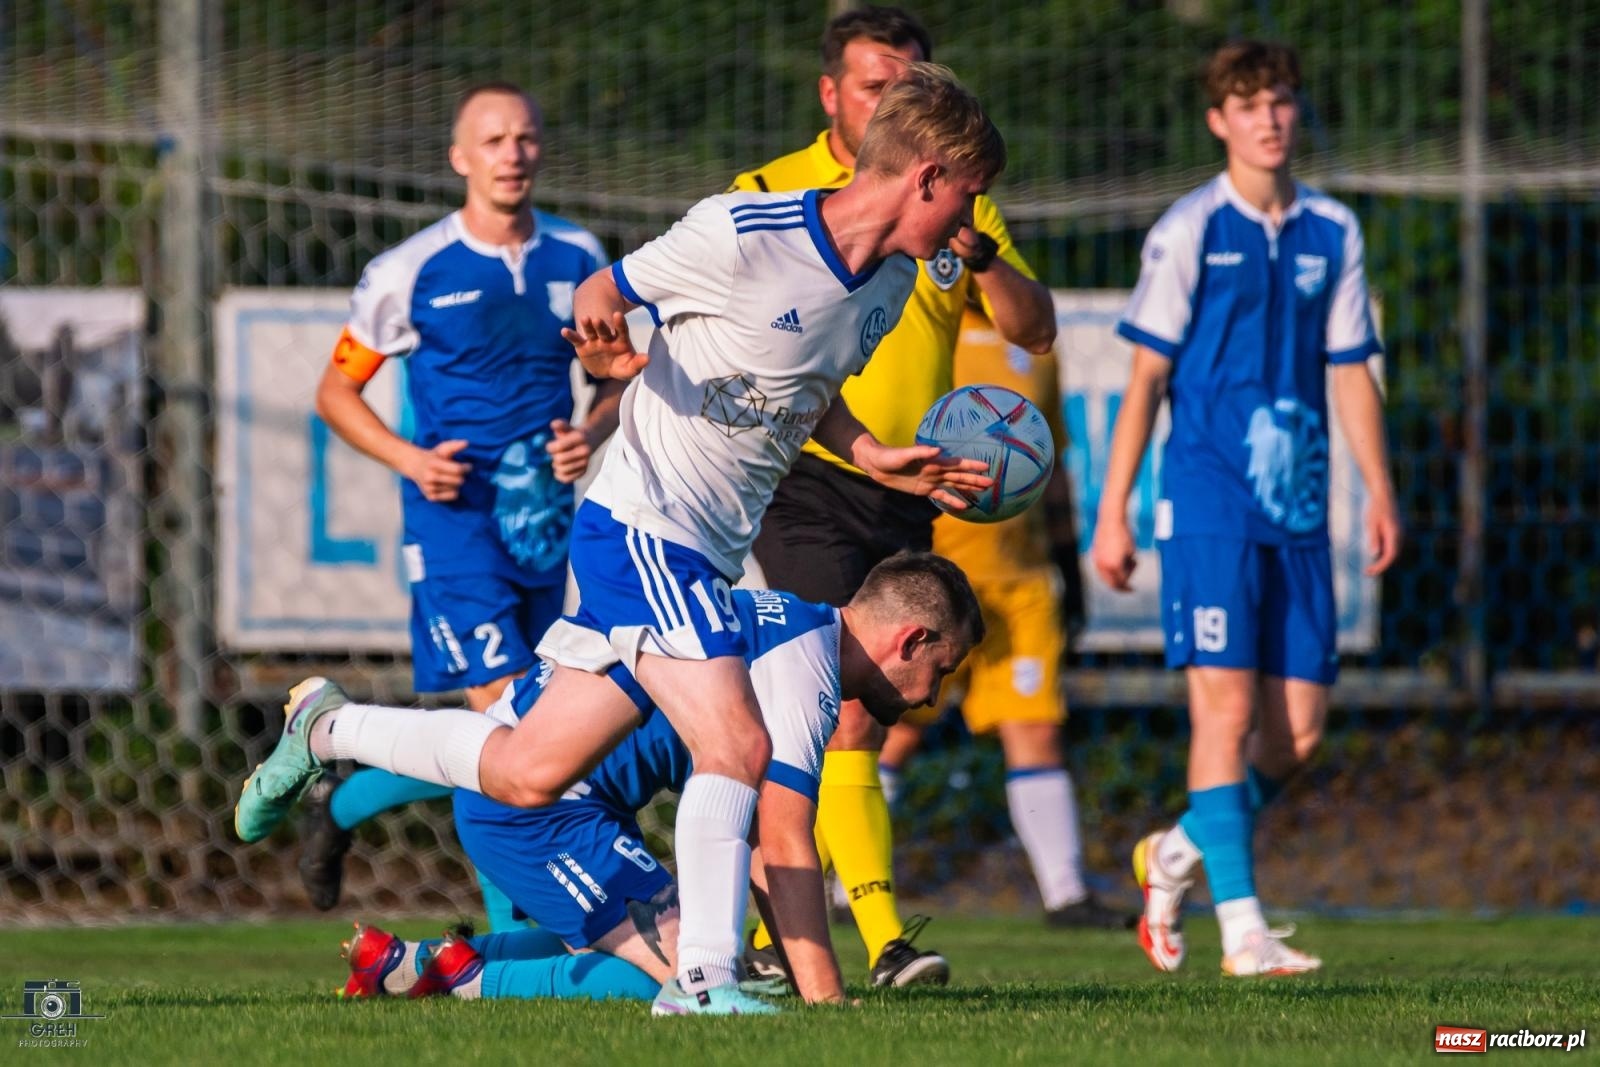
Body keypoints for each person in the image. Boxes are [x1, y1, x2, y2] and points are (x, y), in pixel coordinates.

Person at [235, 61, 1004, 1016]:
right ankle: (704, 982)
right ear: (927, 177)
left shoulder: (890, 282)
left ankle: (327, 726)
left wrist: (876, 454)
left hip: (707, 549)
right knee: (735, 740)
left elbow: (806, 391)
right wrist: (606, 340)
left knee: (526, 768)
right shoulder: (741, 233)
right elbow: (605, 286)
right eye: (969, 192)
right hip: (644, 524)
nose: (973, 216)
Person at [729, 5, 1057, 988]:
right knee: (827, 708)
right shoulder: (770, 191)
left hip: (910, 487)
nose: (894, 102)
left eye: (912, 85)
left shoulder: (958, 203)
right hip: (805, 474)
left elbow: (1034, 328)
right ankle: (875, 938)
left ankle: (779, 939)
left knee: (860, 714)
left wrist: (980, 252)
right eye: (877, 84)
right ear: (831, 93)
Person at [333, 553, 983, 1008]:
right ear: (911, 639)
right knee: (681, 983)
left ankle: (406, 962)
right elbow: (784, 845)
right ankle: (460, 981)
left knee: (689, 956)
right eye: (942, 670)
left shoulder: (790, 622)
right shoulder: (806, 671)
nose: (932, 698)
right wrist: (828, 1001)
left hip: (566, 801)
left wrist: (804, 973)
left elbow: (765, 843)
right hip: (541, 813)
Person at [1089, 41, 1402, 977]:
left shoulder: (1333, 231)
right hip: (1208, 501)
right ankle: (1243, 931)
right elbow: (1146, 379)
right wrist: (1114, 511)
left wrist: (1380, 488)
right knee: (1223, 714)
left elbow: (1352, 371)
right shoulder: (1189, 229)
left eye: (1282, 101)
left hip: (1297, 509)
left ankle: (1173, 854)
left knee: (1297, 733)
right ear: (1218, 120)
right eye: (1249, 103)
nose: (1269, 118)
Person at [294, 83, 624, 928]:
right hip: (453, 528)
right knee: (512, 729)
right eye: (493, 139)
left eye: (525, 137)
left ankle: (343, 802)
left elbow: (618, 377)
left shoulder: (579, 256)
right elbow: (335, 392)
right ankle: (521, 939)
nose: (512, 153)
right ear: (459, 158)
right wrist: (409, 458)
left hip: (544, 525)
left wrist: (591, 431)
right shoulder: (409, 270)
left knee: (537, 731)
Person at [877, 309, 1130, 930]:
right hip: (932, 577)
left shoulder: (1034, 344)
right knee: (893, 731)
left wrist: (1070, 573)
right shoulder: (916, 328)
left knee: (1035, 729)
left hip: (1022, 587)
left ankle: (1066, 896)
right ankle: (842, 883)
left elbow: (1053, 469)